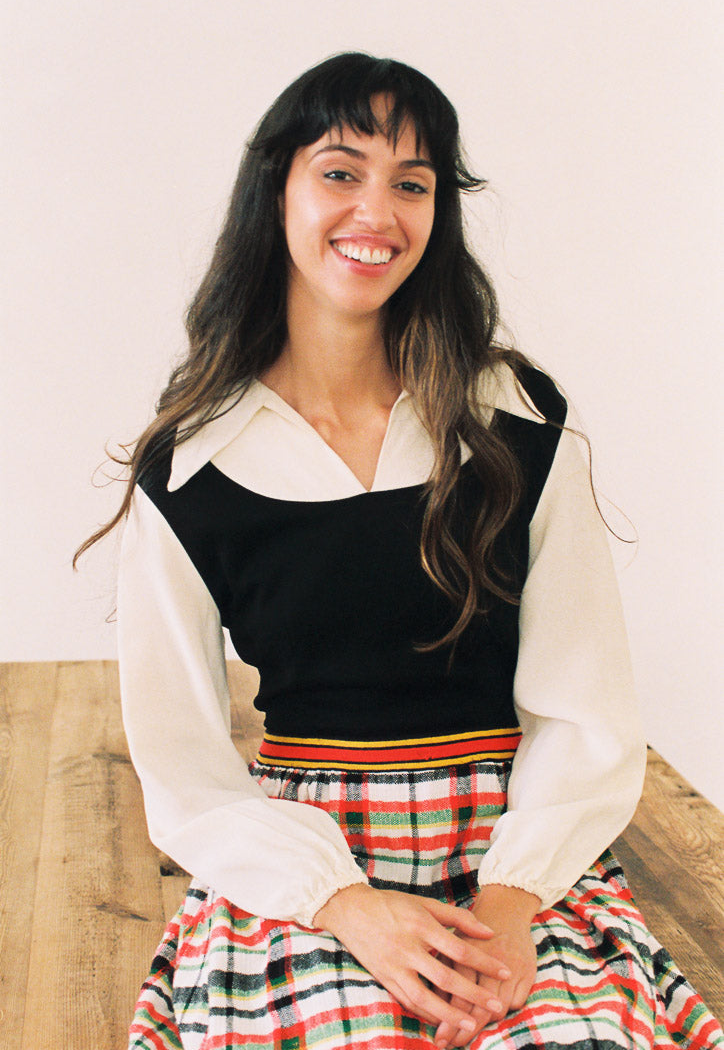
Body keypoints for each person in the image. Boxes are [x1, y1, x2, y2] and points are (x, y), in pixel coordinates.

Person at [79, 53, 723, 1049]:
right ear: (276, 191)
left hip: (513, 853)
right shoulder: (194, 468)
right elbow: (186, 770)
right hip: (311, 865)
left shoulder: (515, 424)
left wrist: (511, 900)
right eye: (340, 172)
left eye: (412, 183)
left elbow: (584, 708)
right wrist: (344, 904)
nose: (376, 212)